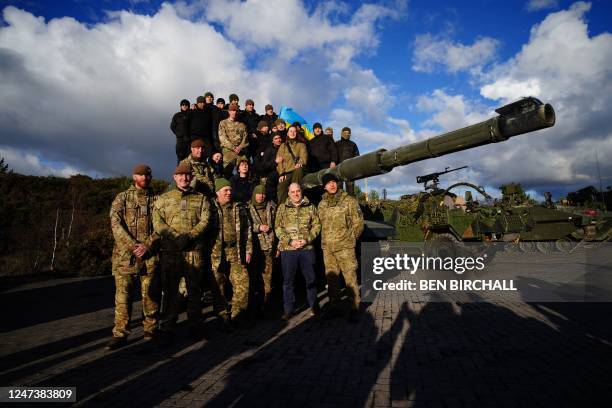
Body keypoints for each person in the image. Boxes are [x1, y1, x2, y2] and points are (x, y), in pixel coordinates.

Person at [153, 163, 211, 344]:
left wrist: (190, 236)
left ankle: (195, 325)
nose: (184, 178)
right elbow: (158, 223)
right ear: (174, 177)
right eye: (181, 176)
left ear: (191, 177)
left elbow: (205, 220)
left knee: (194, 291)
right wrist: (176, 237)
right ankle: (167, 326)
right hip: (171, 253)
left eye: (188, 176)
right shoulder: (163, 199)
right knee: (170, 291)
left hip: (193, 252)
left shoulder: (201, 199)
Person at [107, 164, 160, 350]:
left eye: (147, 175)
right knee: (123, 297)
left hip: (149, 256)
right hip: (124, 257)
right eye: (140, 175)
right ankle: (120, 333)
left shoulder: (157, 200)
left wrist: (147, 245)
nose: (144, 178)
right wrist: (133, 246)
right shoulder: (122, 198)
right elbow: (115, 224)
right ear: (133, 176)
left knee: (151, 296)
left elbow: (162, 227)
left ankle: (151, 330)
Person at [317, 173, 364, 321]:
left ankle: (355, 307)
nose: (332, 185)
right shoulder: (322, 204)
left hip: (345, 247)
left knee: (350, 278)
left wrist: (350, 239)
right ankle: (334, 307)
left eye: (334, 182)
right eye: (329, 183)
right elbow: (319, 224)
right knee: (332, 279)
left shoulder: (349, 201)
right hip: (328, 248)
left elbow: (359, 223)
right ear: (324, 186)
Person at [274, 182, 321, 320]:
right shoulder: (283, 208)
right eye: (293, 192)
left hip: (307, 249)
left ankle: (314, 306)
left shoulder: (310, 206)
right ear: (288, 193)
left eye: (298, 191)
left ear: (301, 192)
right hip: (289, 250)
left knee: (311, 279)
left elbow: (317, 225)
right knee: (288, 281)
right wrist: (290, 241)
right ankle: (288, 309)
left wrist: (307, 239)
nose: (296, 194)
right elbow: (278, 227)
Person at [209, 178, 253, 325]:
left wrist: (248, 250)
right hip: (216, 253)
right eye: (225, 190)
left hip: (236, 251)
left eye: (230, 190)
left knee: (243, 283)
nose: (229, 193)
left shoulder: (238, 206)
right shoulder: (209, 207)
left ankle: (237, 315)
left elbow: (247, 229)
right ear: (217, 192)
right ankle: (222, 317)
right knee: (218, 286)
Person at [248, 185, 277, 311]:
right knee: (254, 279)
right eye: (259, 193)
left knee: (268, 279)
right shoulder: (247, 208)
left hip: (269, 248)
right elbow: (244, 226)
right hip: (254, 249)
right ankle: (254, 307)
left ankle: (266, 306)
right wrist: (258, 227)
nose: (261, 196)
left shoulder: (271, 207)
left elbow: (278, 226)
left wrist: (277, 247)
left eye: (263, 194)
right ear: (254, 194)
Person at [276, 124, 307, 203]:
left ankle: (296, 202)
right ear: (287, 133)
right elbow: (279, 161)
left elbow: (303, 157)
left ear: (297, 133)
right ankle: (281, 208)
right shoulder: (283, 146)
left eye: (294, 131)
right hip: (286, 172)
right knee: (281, 187)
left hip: (296, 170)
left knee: (296, 181)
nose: (292, 133)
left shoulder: (301, 145)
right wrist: (281, 174)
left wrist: (300, 163)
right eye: (291, 131)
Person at [219, 103, 248, 178]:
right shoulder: (223, 123)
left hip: (240, 152)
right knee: (228, 172)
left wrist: (240, 147)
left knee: (244, 171)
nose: (234, 112)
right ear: (229, 111)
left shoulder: (242, 125)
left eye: (236, 111)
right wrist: (233, 147)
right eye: (232, 110)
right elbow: (222, 138)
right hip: (228, 151)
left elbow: (245, 138)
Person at [335, 127, 360, 196]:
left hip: (350, 170)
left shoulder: (353, 144)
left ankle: (351, 206)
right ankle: (339, 205)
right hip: (338, 170)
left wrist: (355, 169)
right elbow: (333, 156)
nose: (347, 134)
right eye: (345, 133)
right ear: (341, 133)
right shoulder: (337, 144)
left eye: (348, 133)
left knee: (350, 191)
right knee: (339, 190)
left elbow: (357, 157)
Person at [260, 132, 283, 201]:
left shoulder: (284, 148)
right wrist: (275, 162)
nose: (278, 140)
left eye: (279, 138)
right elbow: (264, 165)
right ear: (272, 141)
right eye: (276, 138)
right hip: (272, 174)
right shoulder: (269, 150)